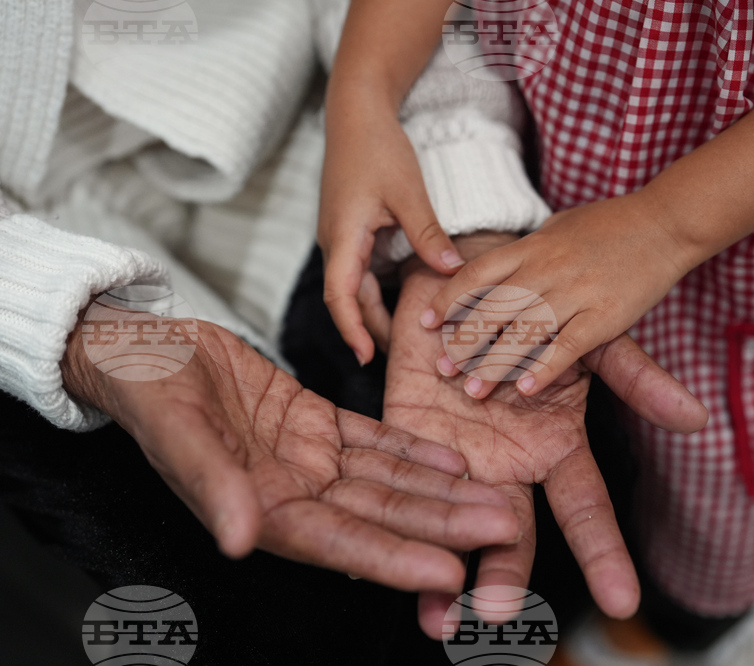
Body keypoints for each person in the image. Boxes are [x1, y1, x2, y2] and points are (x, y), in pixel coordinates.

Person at [0, 1, 706, 661]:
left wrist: (456, 203)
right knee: (285, 609)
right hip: (29, 288)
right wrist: (67, 325)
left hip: (324, 134)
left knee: (547, 494)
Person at [320, 0, 754, 661]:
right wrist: (364, 93)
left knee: (720, 522)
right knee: (580, 471)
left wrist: (666, 224)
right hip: (551, 139)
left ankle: (670, 634)